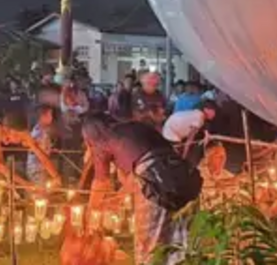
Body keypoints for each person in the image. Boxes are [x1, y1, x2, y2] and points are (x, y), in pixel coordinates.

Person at [80, 113, 200, 263]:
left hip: (157, 186)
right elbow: (140, 169)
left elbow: (101, 183)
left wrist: (90, 215)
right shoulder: (135, 128)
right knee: (179, 243)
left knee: (149, 246)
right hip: (183, 179)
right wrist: (119, 197)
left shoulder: (102, 141)